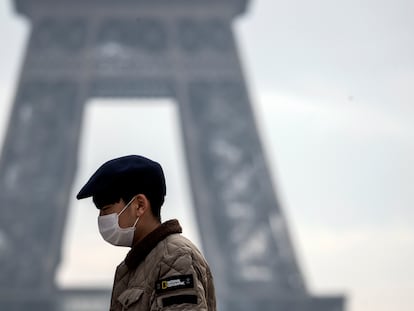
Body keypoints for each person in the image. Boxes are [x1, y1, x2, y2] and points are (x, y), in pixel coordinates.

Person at [76, 155, 216, 311]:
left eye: (106, 210)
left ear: (139, 205)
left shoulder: (174, 258)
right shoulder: (139, 264)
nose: (101, 218)